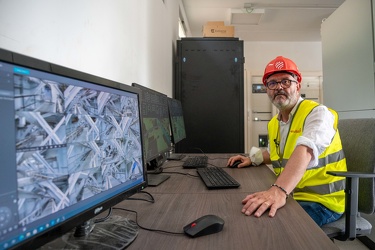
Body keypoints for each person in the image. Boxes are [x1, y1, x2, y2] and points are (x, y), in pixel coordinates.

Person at [227, 56, 347, 226]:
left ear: (298, 85)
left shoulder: (318, 113)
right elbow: (275, 153)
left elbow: (305, 150)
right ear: (267, 89)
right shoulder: (274, 124)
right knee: (246, 213)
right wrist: (251, 159)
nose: (279, 87)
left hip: (322, 201)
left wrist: (279, 190)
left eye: (286, 81)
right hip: (292, 194)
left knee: (270, 227)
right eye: (272, 83)